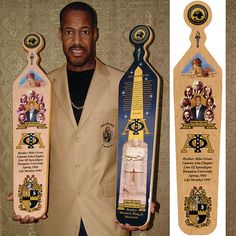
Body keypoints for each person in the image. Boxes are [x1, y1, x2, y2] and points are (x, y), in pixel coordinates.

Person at [9, 2, 155, 236]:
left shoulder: (124, 84)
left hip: (107, 219)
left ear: (95, 33)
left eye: (84, 31)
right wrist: (24, 185)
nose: (77, 40)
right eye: (69, 32)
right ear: (60, 34)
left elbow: (137, 144)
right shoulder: (39, 88)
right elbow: (31, 146)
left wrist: (140, 198)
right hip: (57, 216)